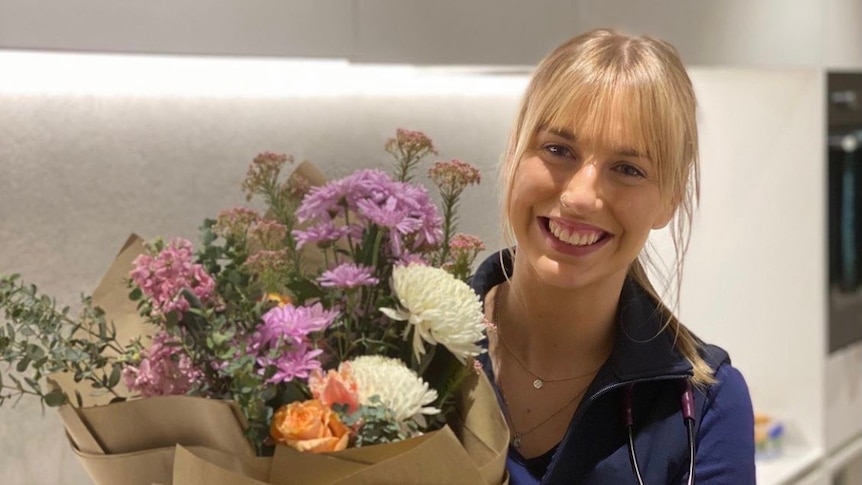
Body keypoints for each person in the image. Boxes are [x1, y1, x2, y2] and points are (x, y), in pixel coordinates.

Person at [470, 28, 756, 484]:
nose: (581, 197)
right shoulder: (408, 347)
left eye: (627, 169)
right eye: (558, 149)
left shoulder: (704, 406)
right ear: (514, 155)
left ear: (669, 201)